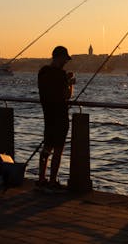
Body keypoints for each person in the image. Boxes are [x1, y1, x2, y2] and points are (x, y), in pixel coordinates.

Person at [37, 46, 75, 190]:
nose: (66, 62)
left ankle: (41, 178)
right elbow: (66, 96)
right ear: (59, 57)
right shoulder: (60, 75)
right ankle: (52, 181)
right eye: (65, 59)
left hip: (48, 114)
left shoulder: (43, 72)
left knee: (46, 148)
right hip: (60, 116)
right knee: (58, 149)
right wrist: (70, 83)